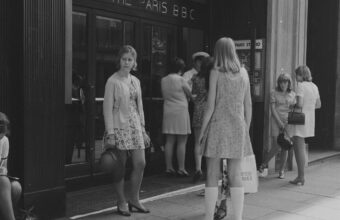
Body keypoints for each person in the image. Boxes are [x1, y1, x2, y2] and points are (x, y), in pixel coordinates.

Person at [199, 37, 253, 220]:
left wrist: (201, 131)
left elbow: (210, 106)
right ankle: (237, 217)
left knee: (212, 174)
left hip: (217, 125)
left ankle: (208, 217)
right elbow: (249, 105)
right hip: (238, 125)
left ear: (218, 51)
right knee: (235, 174)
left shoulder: (216, 71)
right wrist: (246, 129)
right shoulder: (244, 73)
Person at [103, 45, 150, 216]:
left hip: (136, 126)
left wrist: (143, 129)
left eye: (130, 59)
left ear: (134, 62)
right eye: (124, 59)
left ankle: (134, 199)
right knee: (119, 167)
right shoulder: (112, 81)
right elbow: (107, 109)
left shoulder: (135, 81)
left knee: (140, 163)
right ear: (119, 60)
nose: (127, 62)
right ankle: (121, 201)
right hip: (118, 127)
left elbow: (140, 107)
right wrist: (111, 133)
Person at [258, 73, 296, 179]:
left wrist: (288, 122)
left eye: (285, 82)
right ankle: (264, 164)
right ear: (278, 83)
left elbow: (293, 110)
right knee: (277, 145)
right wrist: (279, 122)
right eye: (281, 82)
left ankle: (281, 170)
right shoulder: (273, 93)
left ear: (289, 83)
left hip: (288, 122)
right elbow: (273, 109)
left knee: (285, 146)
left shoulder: (293, 94)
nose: (283, 84)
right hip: (276, 120)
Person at [290, 65, 321, 186]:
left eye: (297, 74)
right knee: (300, 147)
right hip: (309, 119)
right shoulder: (314, 86)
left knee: (299, 149)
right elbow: (318, 105)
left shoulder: (300, 86)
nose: (296, 77)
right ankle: (300, 176)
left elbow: (299, 104)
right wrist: (308, 108)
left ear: (302, 75)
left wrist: (292, 105)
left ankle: (301, 177)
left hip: (299, 119)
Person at [161, 57, 192, 177]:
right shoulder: (181, 79)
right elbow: (189, 93)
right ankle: (181, 168)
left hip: (168, 110)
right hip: (181, 110)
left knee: (169, 140)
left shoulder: (163, 80)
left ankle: (168, 167)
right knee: (182, 141)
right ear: (181, 68)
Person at [191, 56, 214, 183]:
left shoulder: (196, 78)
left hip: (198, 110)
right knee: (210, 141)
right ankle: (209, 169)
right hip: (210, 110)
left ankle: (198, 168)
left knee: (197, 141)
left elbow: (193, 94)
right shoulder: (213, 78)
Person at [0, 112, 22, 220]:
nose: (0, 138)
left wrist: (3, 171)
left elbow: (4, 165)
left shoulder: (5, 140)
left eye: (2, 135)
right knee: (4, 182)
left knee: (16, 187)